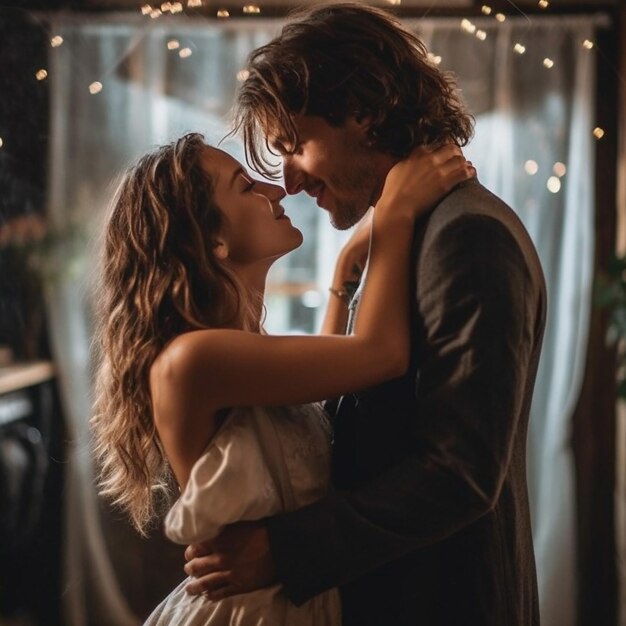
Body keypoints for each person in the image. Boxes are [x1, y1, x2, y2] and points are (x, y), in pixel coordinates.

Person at [183, 4, 547, 626]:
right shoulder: (410, 236)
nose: (289, 183)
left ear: (366, 113)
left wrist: (283, 550)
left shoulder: (466, 236)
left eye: (296, 145)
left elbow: (459, 472)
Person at [90, 132, 473, 625]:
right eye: (245, 187)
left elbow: (336, 388)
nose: (276, 190)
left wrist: (346, 267)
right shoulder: (194, 359)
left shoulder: (236, 352)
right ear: (212, 239)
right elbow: (379, 355)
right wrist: (394, 212)